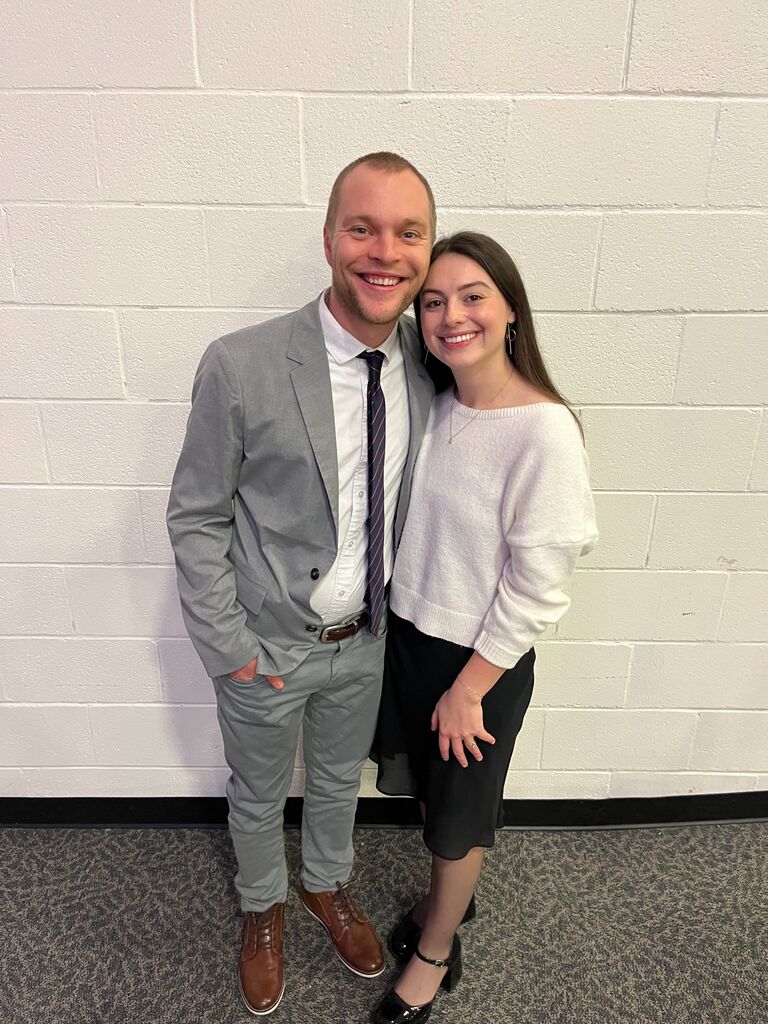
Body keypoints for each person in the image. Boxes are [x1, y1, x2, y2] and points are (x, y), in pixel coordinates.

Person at [166, 152, 436, 1016]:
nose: (383, 251)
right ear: (329, 238)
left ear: (426, 250)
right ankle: (263, 910)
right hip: (265, 647)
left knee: (334, 783)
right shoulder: (240, 366)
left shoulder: (428, 369)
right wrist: (230, 653)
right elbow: (196, 516)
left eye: (407, 232)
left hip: (363, 641)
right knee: (255, 793)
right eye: (362, 228)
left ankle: (325, 884)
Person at [370, 231, 598, 1024]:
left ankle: (435, 952)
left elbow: (540, 584)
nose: (449, 315)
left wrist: (470, 688)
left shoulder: (543, 431)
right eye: (432, 302)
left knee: (458, 820)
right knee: (435, 803)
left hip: (479, 666)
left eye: (472, 296)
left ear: (509, 310)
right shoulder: (436, 408)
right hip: (411, 641)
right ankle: (447, 911)